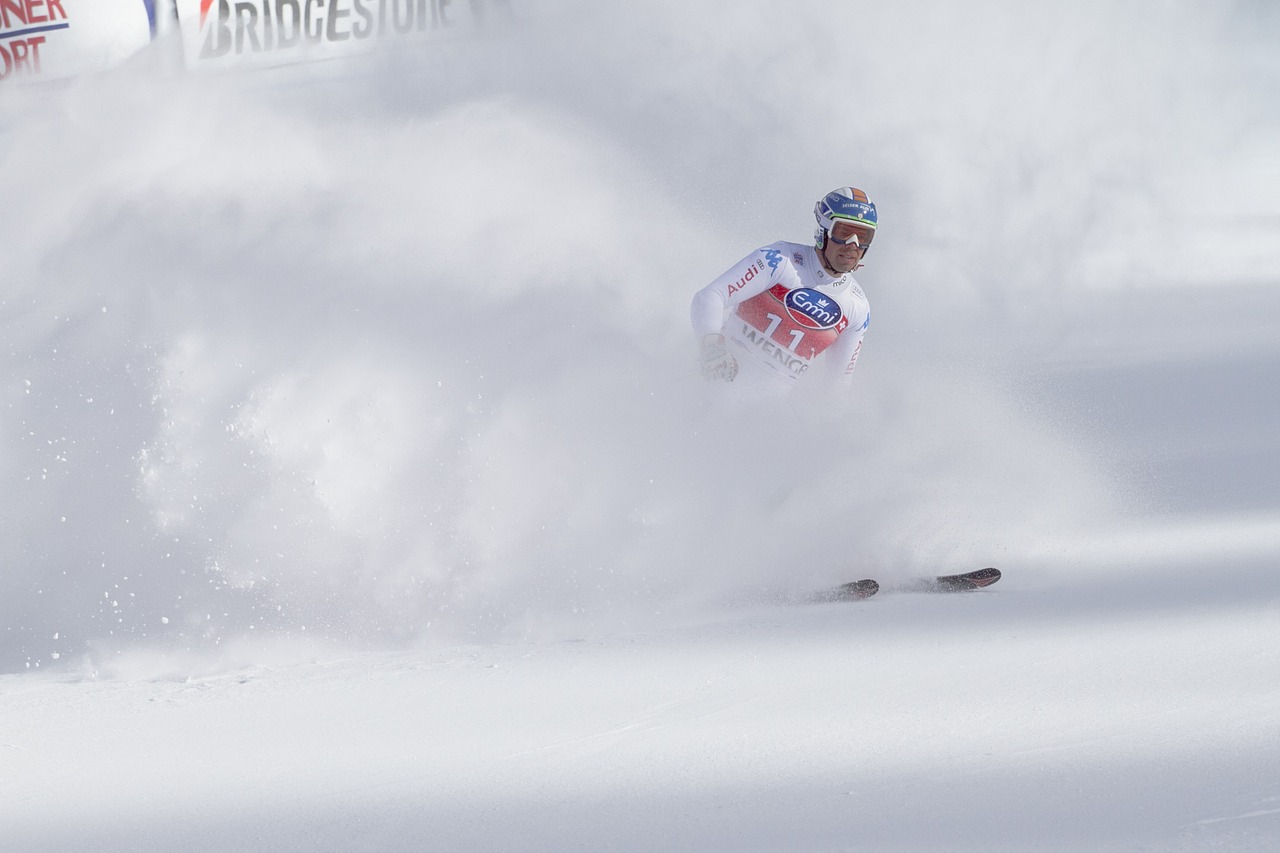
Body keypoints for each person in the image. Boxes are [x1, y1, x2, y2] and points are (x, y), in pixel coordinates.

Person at [690, 187, 877, 388]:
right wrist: (712, 349)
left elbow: (838, 384)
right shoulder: (780, 259)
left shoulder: (858, 306)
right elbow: (710, 297)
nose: (852, 244)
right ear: (823, 230)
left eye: (863, 237)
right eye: (844, 233)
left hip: (762, 415)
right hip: (714, 385)